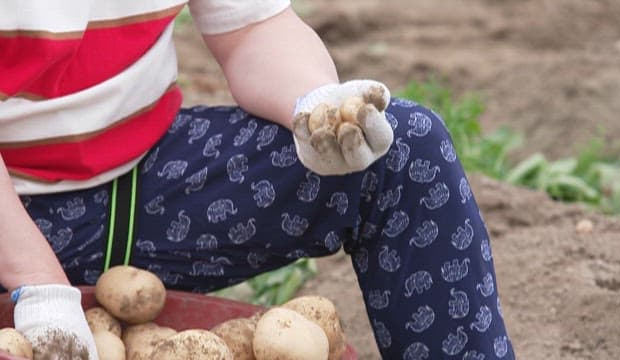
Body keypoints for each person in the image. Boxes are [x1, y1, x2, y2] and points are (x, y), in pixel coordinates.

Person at [0, 1, 515, 359]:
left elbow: (250, 30)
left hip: (147, 187)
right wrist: (35, 281)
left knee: (405, 151)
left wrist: (318, 104)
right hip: (11, 215)